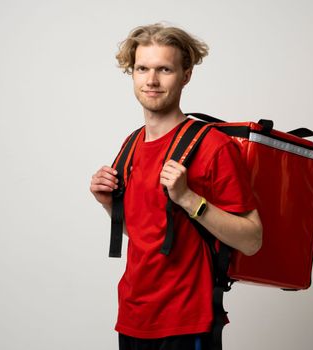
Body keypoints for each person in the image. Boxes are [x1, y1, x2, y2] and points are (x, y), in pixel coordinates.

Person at [90, 23, 263, 350]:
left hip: (186, 322)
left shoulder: (214, 147)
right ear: (132, 73)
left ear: (186, 75)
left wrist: (188, 198)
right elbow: (147, 232)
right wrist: (107, 204)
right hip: (133, 316)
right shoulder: (131, 144)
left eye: (164, 69)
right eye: (142, 68)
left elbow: (253, 239)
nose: (151, 80)